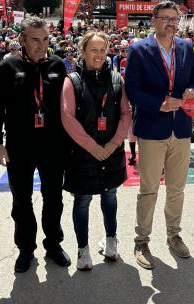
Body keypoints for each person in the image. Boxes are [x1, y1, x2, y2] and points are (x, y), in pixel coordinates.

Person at [0, 17, 71, 273]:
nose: (41, 45)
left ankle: (53, 244)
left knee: (54, 198)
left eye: (45, 39)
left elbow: (67, 107)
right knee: (22, 201)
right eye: (35, 39)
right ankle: (26, 249)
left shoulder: (58, 65)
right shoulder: (8, 66)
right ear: (22, 40)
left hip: (53, 145)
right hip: (20, 145)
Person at [125, 1, 194, 270]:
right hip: (152, 129)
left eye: (175, 18)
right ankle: (141, 241)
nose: (171, 23)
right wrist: (159, 103)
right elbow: (132, 89)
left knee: (177, 188)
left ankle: (173, 235)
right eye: (166, 18)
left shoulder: (187, 47)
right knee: (148, 190)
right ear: (154, 20)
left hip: (180, 128)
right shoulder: (138, 49)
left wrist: (193, 90)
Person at [60, 32, 131, 270]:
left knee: (110, 197)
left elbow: (125, 114)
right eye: (94, 50)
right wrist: (93, 147)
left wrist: (111, 145)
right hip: (82, 156)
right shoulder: (71, 80)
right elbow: (68, 118)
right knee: (82, 201)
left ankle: (111, 243)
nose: (99, 55)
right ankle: (83, 252)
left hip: (111, 154)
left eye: (103, 50)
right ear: (83, 51)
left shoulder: (116, 79)